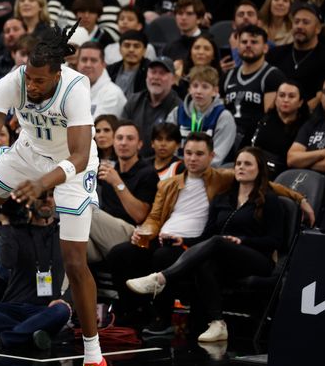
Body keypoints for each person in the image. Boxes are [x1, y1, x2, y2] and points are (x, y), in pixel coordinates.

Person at [0, 21, 108, 366]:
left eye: (41, 81)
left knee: (74, 261)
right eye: (29, 79)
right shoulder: (12, 81)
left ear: (58, 73)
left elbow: (76, 155)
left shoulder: (76, 87)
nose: (33, 87)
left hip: (73, 167)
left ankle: (93, 361)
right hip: (26, 154)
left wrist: (43, 185)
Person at [107, 133, 311, 335]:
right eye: (188, 153)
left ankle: (161, 292)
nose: (193, 158)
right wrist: (154, 233)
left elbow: (269, 206)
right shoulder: (192, 190)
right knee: (122, 253)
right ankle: (139, 311)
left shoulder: (239, 186)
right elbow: (159, 218)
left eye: (199, 154)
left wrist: (299, 199)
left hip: (237, 251)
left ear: (211, 156)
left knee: (195, 249)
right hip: (196, 245)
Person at [0, 190, 71, 351]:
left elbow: (80, 273)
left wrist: (66, 299)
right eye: (41, 196)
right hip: (13, 307)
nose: (47, 200)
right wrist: (6, 223)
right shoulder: (16, 231)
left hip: (45, 310)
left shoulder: (65, 233)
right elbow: (6, 261)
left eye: (51, 196)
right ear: (30, 201)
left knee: (62, 310)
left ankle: (0, 340)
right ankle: (31, 335)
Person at [88, 121, 159, 264]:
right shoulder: (108, 168)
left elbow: (140, 216)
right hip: (103, 233)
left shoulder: (148, 172)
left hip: (131, 234)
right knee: (67, 243)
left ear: (139, 144)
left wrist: (117, 183)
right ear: (113, 142)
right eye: (119, 138)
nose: (123, 143)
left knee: (83, 209)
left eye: (130, 138)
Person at [266, 2, 325, 109]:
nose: (299, 26)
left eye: (306, 22)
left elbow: (321, 96)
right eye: (296, 22)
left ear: (318, 28)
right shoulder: (275, 54)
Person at [221, 24, 285, 147]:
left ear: (265, 48)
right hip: (226, 134)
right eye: (244, 42)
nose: (248, 45)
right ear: (238, 46)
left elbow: (269, 118)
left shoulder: (273, 76)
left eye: (254, 42)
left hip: (253, 139)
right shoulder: (228, 76)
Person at [167, 65, 236, 166]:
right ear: (189, 89)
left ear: (215, 91)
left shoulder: (224, 117)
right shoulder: (177, 112)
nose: (199, 91)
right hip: (179, 171)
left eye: (205, 87)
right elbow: (168, 148)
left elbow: (217, 158)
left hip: (212, 173)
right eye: (195, 86)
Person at [286, 73, 325, 176]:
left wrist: (304, 162)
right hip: (304, 182)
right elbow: (291, 158)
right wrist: (323, 153)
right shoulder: (312, 124)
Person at [121, 57, 181, 158]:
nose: (156, 77)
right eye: (153, 72)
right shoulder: (134, 101)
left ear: (173, 79)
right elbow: (122, 132)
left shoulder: (179, 109)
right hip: (133, 162)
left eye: (162, 73)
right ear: (146, 76)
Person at [252, 80, 309, 177]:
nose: (286, 100)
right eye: (282, 95)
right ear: (276, 99)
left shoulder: (306, 127)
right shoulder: (261, 121)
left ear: (300, 102)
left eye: (291, 96)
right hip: (256, 169)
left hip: (286, 175)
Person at [76, 41, 126, 118]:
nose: (88, 65)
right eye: (84, 60)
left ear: (103, 64)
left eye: (93, 60)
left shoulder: (113, 94)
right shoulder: (71, 89)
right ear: (77, 63)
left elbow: (95, 128)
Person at [175, 33, 220, 98]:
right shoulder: (181, 77)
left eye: (206, 49)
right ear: (190, 53)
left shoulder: (222, 79)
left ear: (213, 55)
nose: (201, 52)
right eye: (197, 48)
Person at [106, 29, 149, 98]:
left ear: (144, 50)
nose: (131, 50)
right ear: (120, 49)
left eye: (136, 46)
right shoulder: (110, 70)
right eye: (127, 45)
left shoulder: (150, 71)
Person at [162, 0, 205, 64]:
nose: (184, 18)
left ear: (199, 19)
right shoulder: (170, 47)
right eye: (180, 13)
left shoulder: (208, 44)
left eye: (189, 14)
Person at [0, 18, 27, 86]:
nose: (11, 34)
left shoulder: (36, 57)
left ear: (26, 32)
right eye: (7, 31)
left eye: (16, 29)